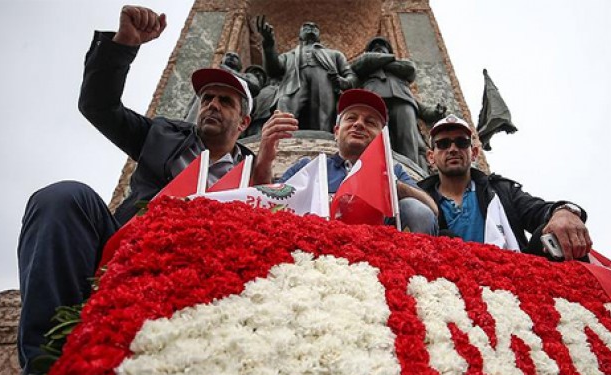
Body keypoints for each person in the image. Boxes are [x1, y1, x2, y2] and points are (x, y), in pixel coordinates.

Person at [17, 5, 255, 375]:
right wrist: (123, 47)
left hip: (200, 274)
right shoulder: (160, 135)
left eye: (225, 101)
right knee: (62, 198)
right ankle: (48, 366)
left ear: (243, 122)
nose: (212, 105)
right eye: (207, 98)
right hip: (127, 250)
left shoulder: (256, 173)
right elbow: (98, 106)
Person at [252, 89, 438, 234]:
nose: (359, 124)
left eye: (370, 122)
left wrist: (393, 185)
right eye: (351, 118)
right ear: (336, 131)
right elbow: (268, 204)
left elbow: (431, 209)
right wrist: (265, 157)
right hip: (314, 246)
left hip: (379, 248)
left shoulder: (394, 170)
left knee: (414, 208)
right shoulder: (308, 167)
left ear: (381, 137)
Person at [418, 115, 593, 260]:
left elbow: (538, 211)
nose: (453, 149)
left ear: (475, 153)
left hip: (513, 274)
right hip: (448, 280)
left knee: (558, 233)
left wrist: (562, 211)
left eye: (462, 143)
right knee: (445, 238)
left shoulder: (501, 190)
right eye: (443, 144)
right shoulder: (419, 199)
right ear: (431, 157)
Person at [352, 36, 445, 166]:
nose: (379, 46)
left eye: (382, 45)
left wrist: (435, 112)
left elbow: (410, 69)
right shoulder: (366, 64)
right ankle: (375, 167)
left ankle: (412, 171)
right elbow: (358, 65)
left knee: (407, 137)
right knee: (377, 137)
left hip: (403, 101)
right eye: (375, 46)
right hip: (374, 99)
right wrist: (389, 61)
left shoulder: (396, 74)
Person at [255, 16, 357, 132]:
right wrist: (269, 44)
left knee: (323, 117)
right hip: (294, 82)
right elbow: (272, 70)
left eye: (315, 27)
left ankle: (323, 140)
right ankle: (282, 137)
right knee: (285, 105)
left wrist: (343, 81)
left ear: (319, 36)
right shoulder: (289, 55)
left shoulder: (334, 54)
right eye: (306, 27)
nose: (311, 28)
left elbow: (351, 76)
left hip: (324, 82)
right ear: (299, 35)